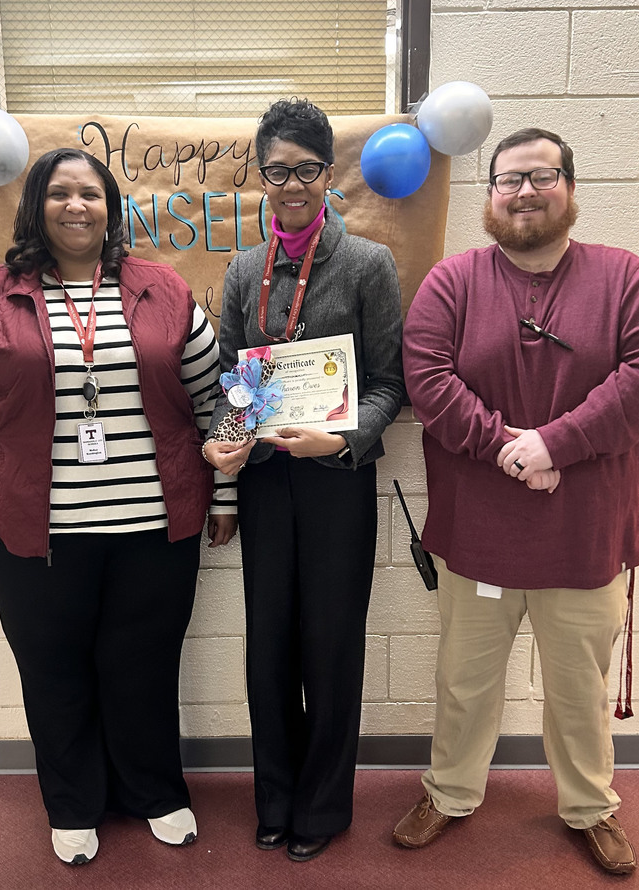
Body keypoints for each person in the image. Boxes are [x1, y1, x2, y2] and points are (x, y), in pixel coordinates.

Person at [0, 147, 236, 866]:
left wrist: (226, 496)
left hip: (154, 526)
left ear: (111, 209)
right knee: (53, 671)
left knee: (144, 666)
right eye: (59, 193)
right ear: (35, 206)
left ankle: (154, 792)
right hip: (32, 532)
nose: (76, 206)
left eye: (90, 193)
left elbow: (218, 402)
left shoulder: (163, 291)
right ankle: (72, 803)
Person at [392, 128, 639, 875]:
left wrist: (555, 445)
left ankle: (590, 806)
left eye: (542, 176)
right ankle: (450, 793)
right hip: (478, 538)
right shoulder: (452, 283)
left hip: (585, 537)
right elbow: (429, 381)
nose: (524, 192)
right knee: (464, 684)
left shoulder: (626, 279)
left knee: (579, 692)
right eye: (508, 180)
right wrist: (510, 449)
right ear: (489, 196)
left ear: (570, 189)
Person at [202, 99, 404, 862]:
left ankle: (322, 806)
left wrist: (340, 440)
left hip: (336, 483)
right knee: (270, 648)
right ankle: (276, 798)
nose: (291, 185)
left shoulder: (368, 265)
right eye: (277, 170)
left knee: (331, 645)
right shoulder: (243, 270)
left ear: (328, 174)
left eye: (306, 170)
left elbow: (390, 385)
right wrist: (226, 443)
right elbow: (234, 384)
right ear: (262, 176)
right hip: (265, 484)